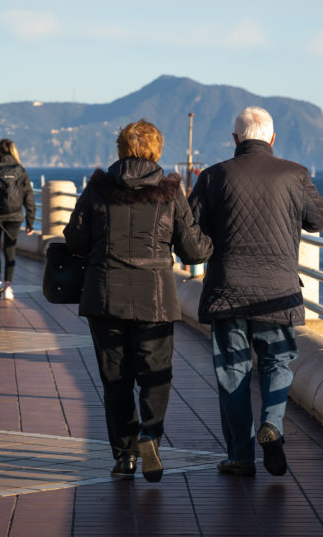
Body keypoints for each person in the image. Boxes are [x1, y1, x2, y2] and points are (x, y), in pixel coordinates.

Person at [64, 120, 213, 482]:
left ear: (120, 149)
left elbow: (74, 239)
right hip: (156, 297)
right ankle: (151, 435)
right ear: (156, 150)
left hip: (104, 296)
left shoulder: (98, 189)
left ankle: (125, 457)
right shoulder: (170, 191)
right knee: (155, 375)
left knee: (115, 379)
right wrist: (215, 239)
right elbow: (193, 251)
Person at [189, 106, 323, 478]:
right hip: (277, 291)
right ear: (272, 138)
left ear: (235, 139)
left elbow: (191, 234)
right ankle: (273, 425)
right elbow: (319, 220)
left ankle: (240, 456)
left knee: (233, 371)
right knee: (277, 363)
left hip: (227, 290)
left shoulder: (212, 176)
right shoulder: (295, 174)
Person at [0, 139, 35, 299]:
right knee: (10, 250)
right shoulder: (20, 170)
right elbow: (28, 196)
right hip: (15, 216)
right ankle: (8, 287)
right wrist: (30, 220)